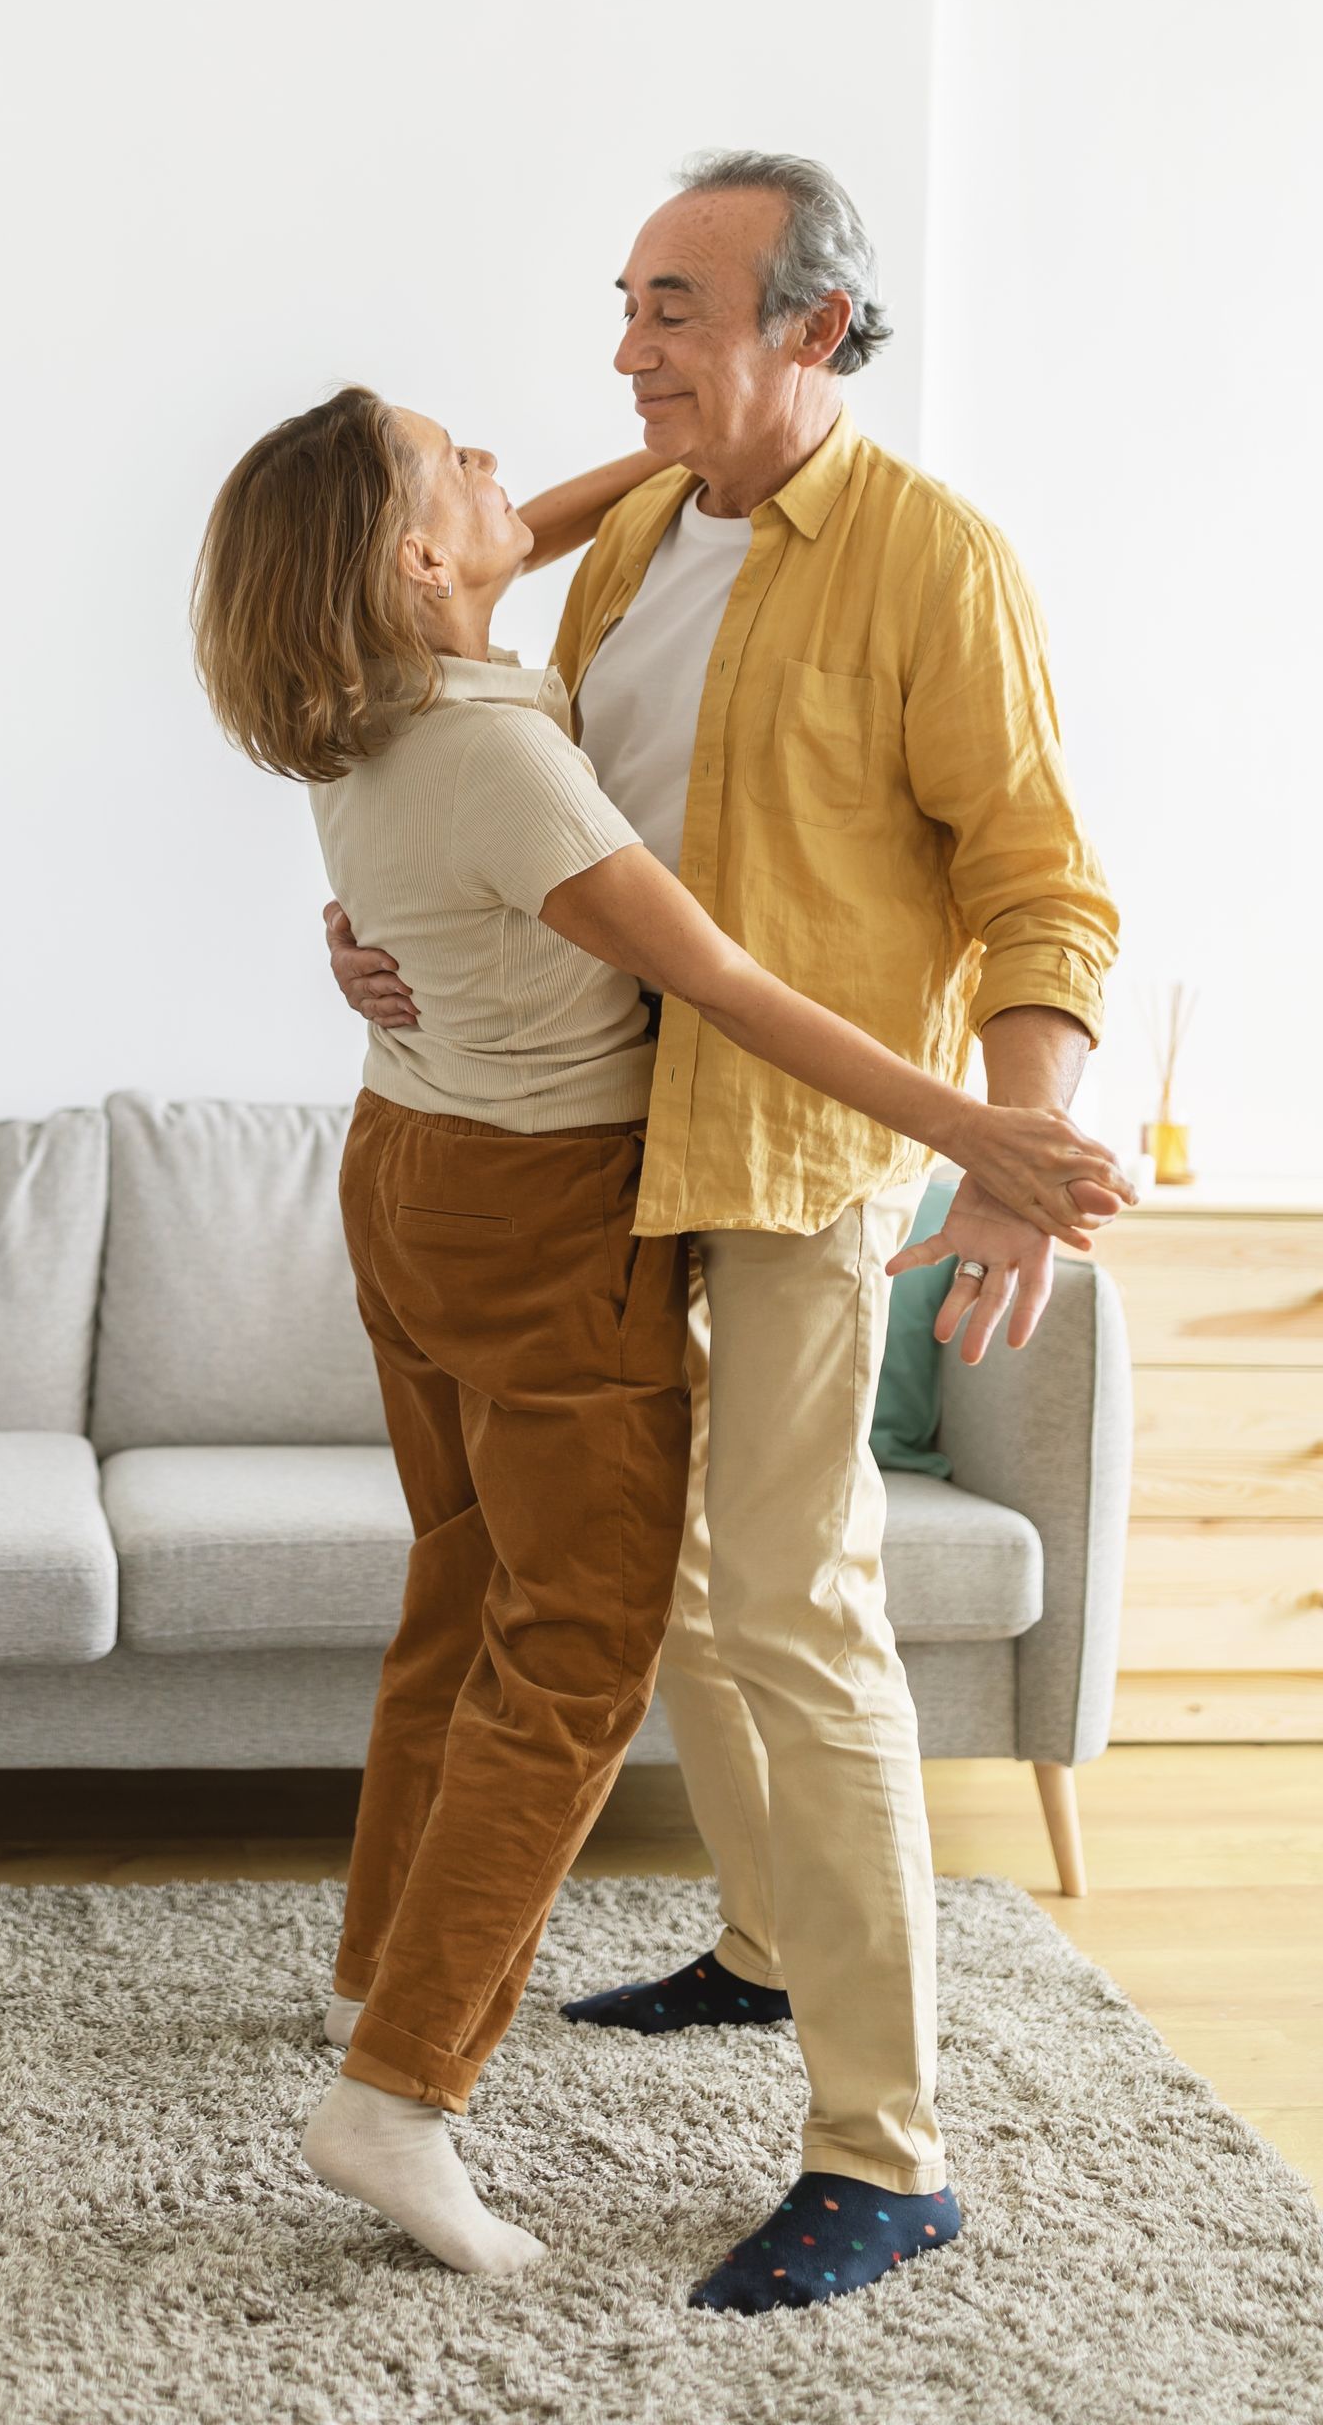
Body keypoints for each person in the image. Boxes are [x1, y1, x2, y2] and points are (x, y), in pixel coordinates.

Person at [192, 382, 1128, 2285]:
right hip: (541, 1219)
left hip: (405, 1161)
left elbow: (523, 519)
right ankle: (402, 2085)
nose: (511, 468)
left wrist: (737, 434)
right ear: (413, 560)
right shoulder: (499, 757)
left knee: (463, 1592)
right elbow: (717, 976)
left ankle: (384, 1962)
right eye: (459, 459)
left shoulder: (360, 698)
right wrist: (978, 1132)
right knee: (575, 1653)